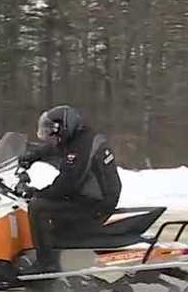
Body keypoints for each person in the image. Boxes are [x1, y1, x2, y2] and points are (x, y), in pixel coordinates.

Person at [17, 105, 122, 275]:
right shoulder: (78, 139)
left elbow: (67, 183)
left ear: (65, 128)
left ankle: (46, 263)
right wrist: (32, 155)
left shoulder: (81, 147)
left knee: (38, 207)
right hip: (88, 196)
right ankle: (62, 256)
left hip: (95, 203)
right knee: (49, 207)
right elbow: (54, 148)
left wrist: (37, 193)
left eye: (53, 131)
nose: (51, 135)